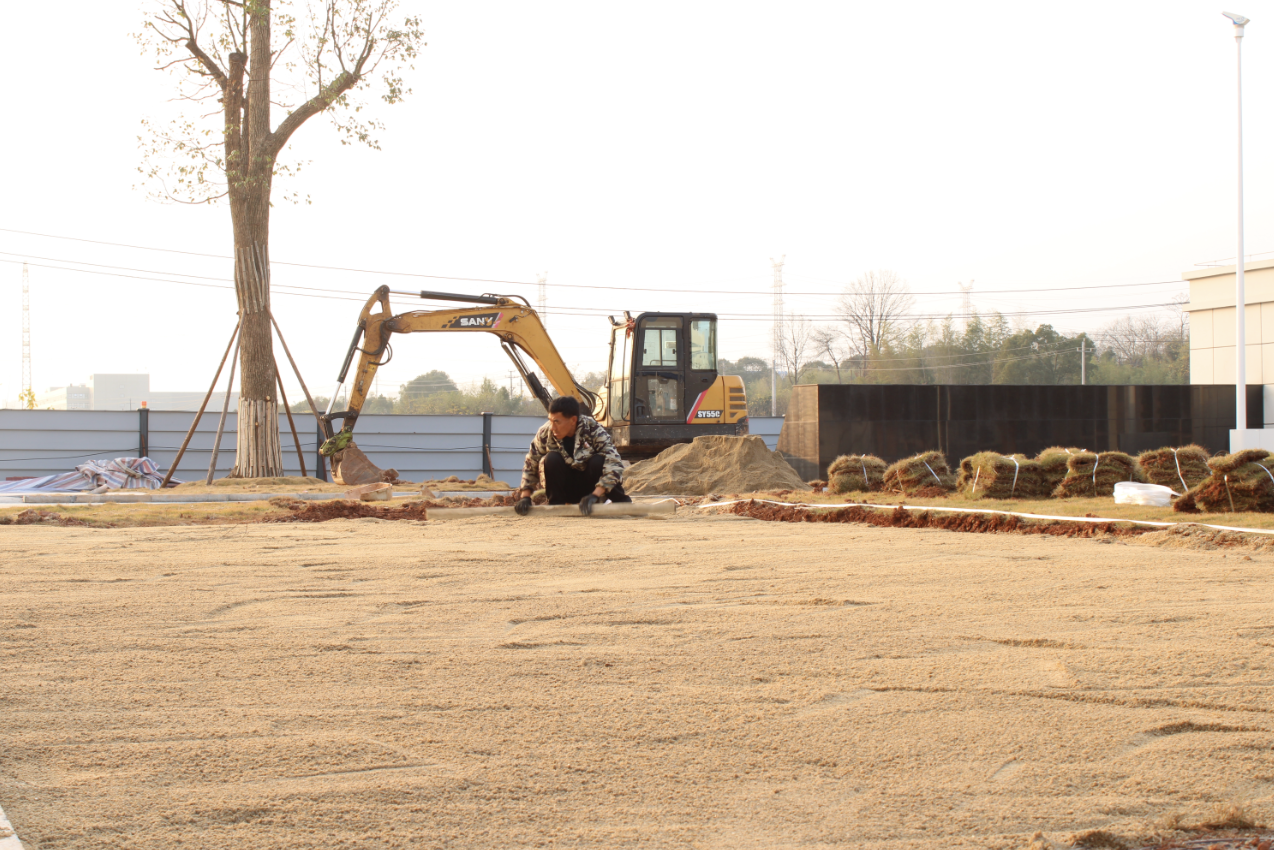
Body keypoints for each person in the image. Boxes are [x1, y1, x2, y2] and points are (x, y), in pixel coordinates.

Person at [515, 396, 631, 516]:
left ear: (573, 420)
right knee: (551, 459)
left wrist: (595, 494)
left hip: (592, 490)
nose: (553, 427)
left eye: (557, 422)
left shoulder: (593, 429)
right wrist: (525, 497)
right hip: (566, 489)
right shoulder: (545, 432)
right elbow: (531, 463)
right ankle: (556, 506)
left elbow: (614, 462)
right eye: (550, 420)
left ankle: (622, 503)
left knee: (599, 461)